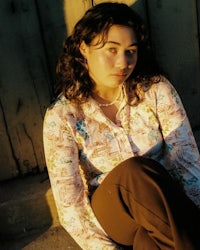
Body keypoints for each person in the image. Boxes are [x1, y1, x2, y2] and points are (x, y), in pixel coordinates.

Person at [43, 2, 200, 249]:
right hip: (113, 214)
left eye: (131, 51)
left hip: (163, 205)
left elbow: (186, 158)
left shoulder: (156, 90)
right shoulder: (63, 116)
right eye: (111, 50)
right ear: (84, 48)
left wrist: (194, 213)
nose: (123, 62)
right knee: (134, 173)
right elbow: (70, 204)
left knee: (148, 241)